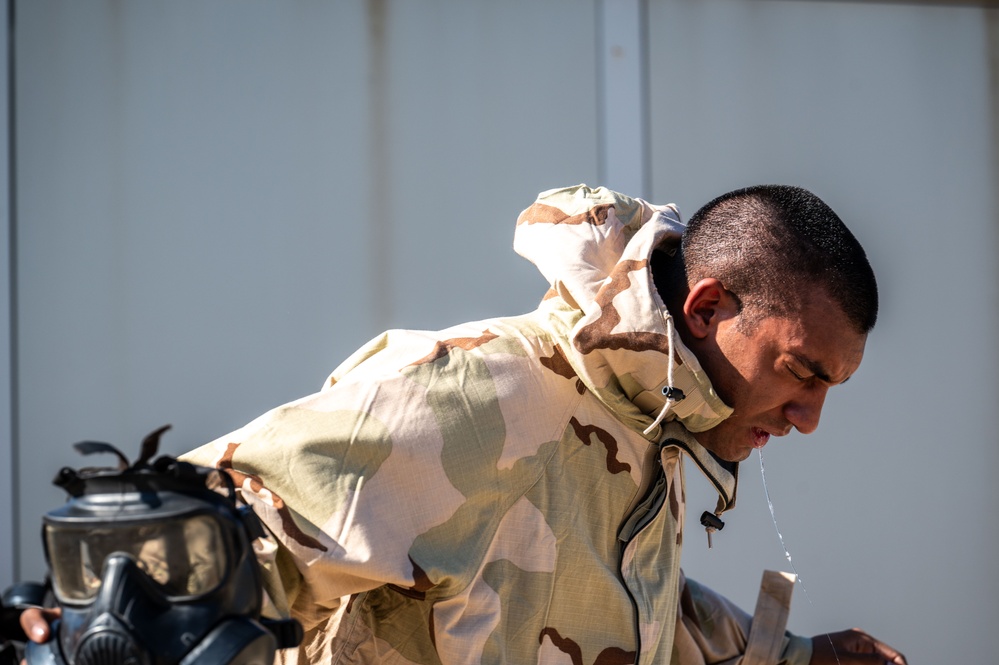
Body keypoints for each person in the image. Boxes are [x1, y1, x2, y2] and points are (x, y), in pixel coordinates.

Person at [22, 184, 906, 665]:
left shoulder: (652, 427)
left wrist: (790, 657)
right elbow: (189, 549)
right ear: (708, 305)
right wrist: (86, 622)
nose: (808, 417)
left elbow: (624, 615)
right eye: (801, 371)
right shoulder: (481, 392)